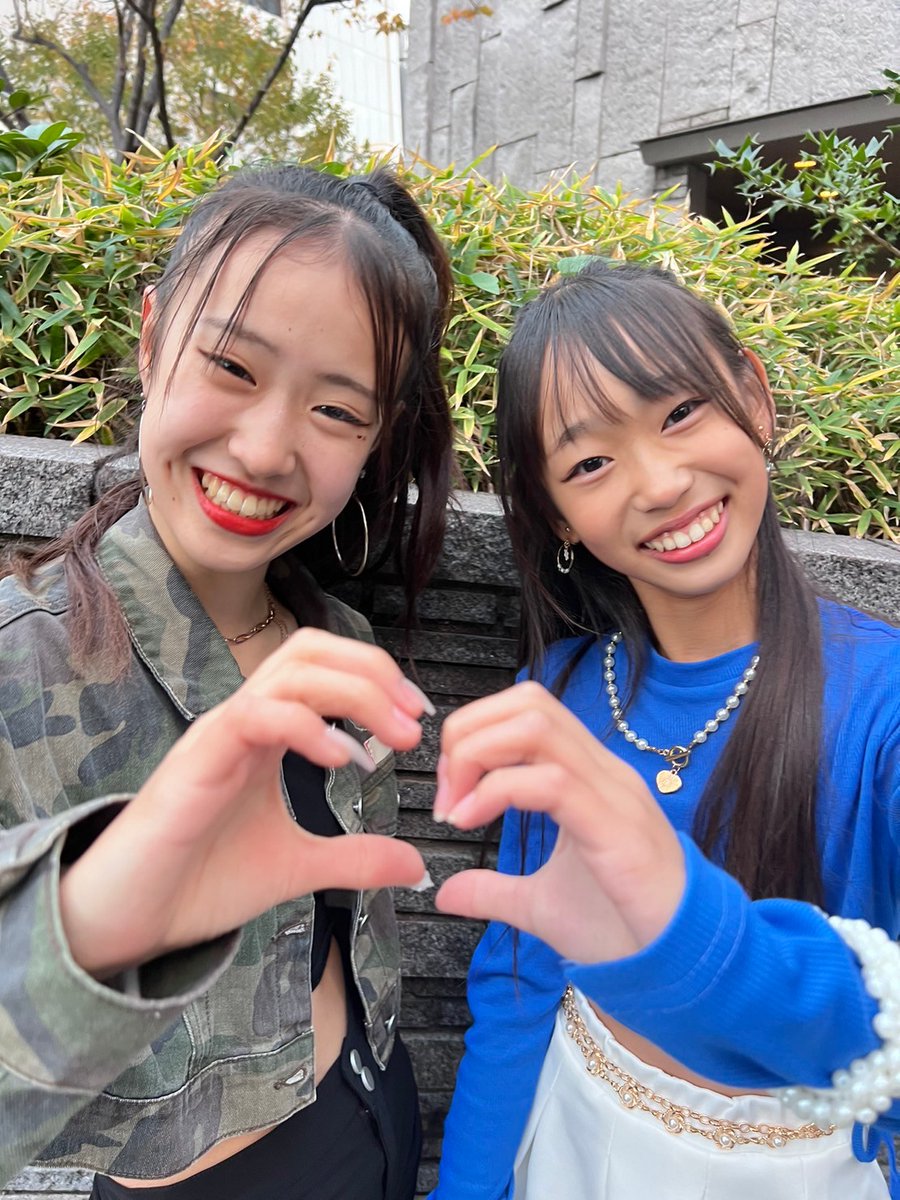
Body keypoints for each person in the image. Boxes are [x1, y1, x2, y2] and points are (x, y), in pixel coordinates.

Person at [0, 164, 454, 1200]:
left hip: (374, 1113)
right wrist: (83, 935)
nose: (264, 448)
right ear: (152, 337)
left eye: (336, 410)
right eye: (233, 367)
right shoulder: (19, 663)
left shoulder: (338, 643)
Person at [427, 260, 900, 1199]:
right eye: (590, 464)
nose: (660, 482)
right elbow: (520, 979)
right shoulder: (558, 693)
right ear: (556, 513)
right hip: (569, 1137)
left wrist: (690, 937)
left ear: (753, 397)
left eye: (680, 412)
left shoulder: (880, 705)